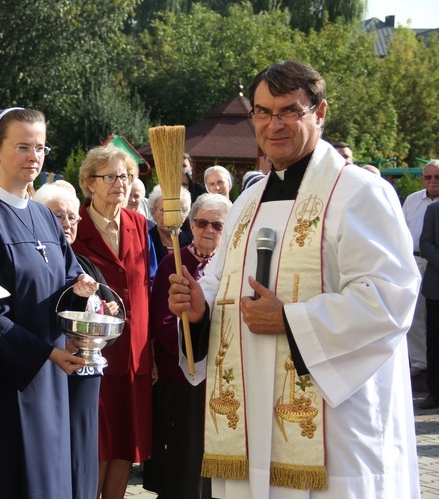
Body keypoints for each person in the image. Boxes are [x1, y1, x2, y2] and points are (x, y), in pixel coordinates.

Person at [167, 60, 419, 497]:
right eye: (263, 112)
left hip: (333, 419)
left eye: (289, 111)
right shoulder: (247, 201)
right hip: (249, 411)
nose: (273, 124)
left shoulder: (359, 193)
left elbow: (388, 299)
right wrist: (199, 306)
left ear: (319, 113)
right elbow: (220, 282)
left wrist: (291, 320)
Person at [0, 107, 97, 498]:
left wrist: (78, 291)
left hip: (47, 373)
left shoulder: (44, 217)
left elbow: (62, 282)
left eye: (41, 148)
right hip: (0, 382)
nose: (35, 157)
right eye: (23, 147)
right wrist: (46, 354)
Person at [71, 144, 153, 499]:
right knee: (98, 445)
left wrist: (149, 356)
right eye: (110, 177)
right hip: (94, 354)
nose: (120, 183)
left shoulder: (138, 223)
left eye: (125, 176)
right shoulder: (77, 226)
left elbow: (144, 287)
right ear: (89, 183)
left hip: (135, 354)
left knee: (126, 444)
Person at [34, 182, 120, 499]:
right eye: (59, 216)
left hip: (87, 371)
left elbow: (107, 305)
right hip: (53, 370)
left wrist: (107, 309)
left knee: (85, 448)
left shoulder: (84, 263)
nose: (68, 224)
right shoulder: (40, 264)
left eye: (73, 217)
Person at [143, 193, 231, 499]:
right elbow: (162, 321)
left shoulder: (232, 265)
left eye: (218, 225)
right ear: (190, 225)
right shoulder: (174, 261)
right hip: (181, 373)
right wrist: (193, 340)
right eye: (202, 222)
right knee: (183, 456)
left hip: (222, 378)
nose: (209, 230)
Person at [403, 159, 439, 380]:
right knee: (414, 313)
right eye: (428, 177)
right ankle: (419, 361)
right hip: (414, 261)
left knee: (433, 317)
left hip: (435, 264)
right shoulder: (413, 200)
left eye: (437, 177)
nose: (433, 181)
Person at [420, 198, 439, 410]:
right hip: (436, 289)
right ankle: (435, 392)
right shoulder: (433, 210)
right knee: (435, 342)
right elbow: (425, 243)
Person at [147, 184, 192, 264]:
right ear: (153, 214)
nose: (168, 215)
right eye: (163, 210)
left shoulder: (191, 242)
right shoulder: (146, 241)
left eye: (174, 210)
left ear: (184, 216)